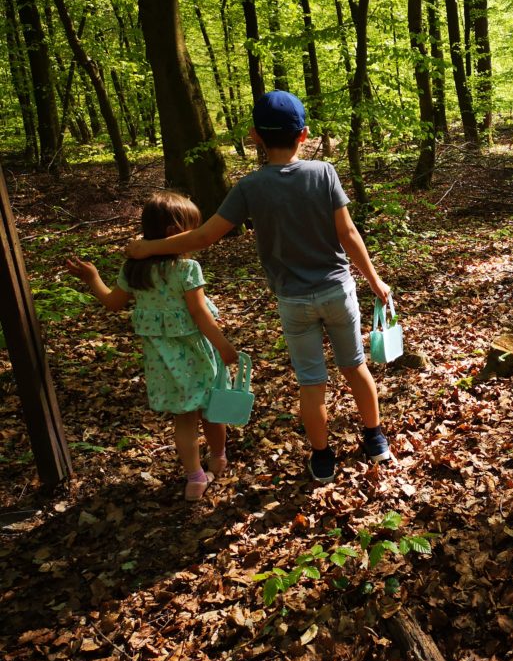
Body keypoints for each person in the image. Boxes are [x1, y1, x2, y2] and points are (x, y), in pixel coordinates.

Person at [127, 90, 392, 484]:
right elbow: (348, 233)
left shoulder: (250, 187)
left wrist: (149, 247)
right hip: (338, 291)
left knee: (311, 381)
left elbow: (202, 238)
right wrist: (375, 280)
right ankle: (375, 440)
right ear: (303, 135)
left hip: (294, 301)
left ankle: (322, 457)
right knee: (354, 366)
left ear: (255, 136)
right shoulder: (324, 173)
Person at [66, 192, 238, 502]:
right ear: (174, 233)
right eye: (193, 230)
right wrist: (224, 346)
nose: (197, 237)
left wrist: (93, 278)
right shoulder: (187, 270)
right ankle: (218, 458)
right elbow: (199, 314)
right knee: (214, 409)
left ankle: (195, 478)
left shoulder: (135, 270)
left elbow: (112, 302)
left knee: (184, 418)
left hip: (163, 362)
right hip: (199, 355)